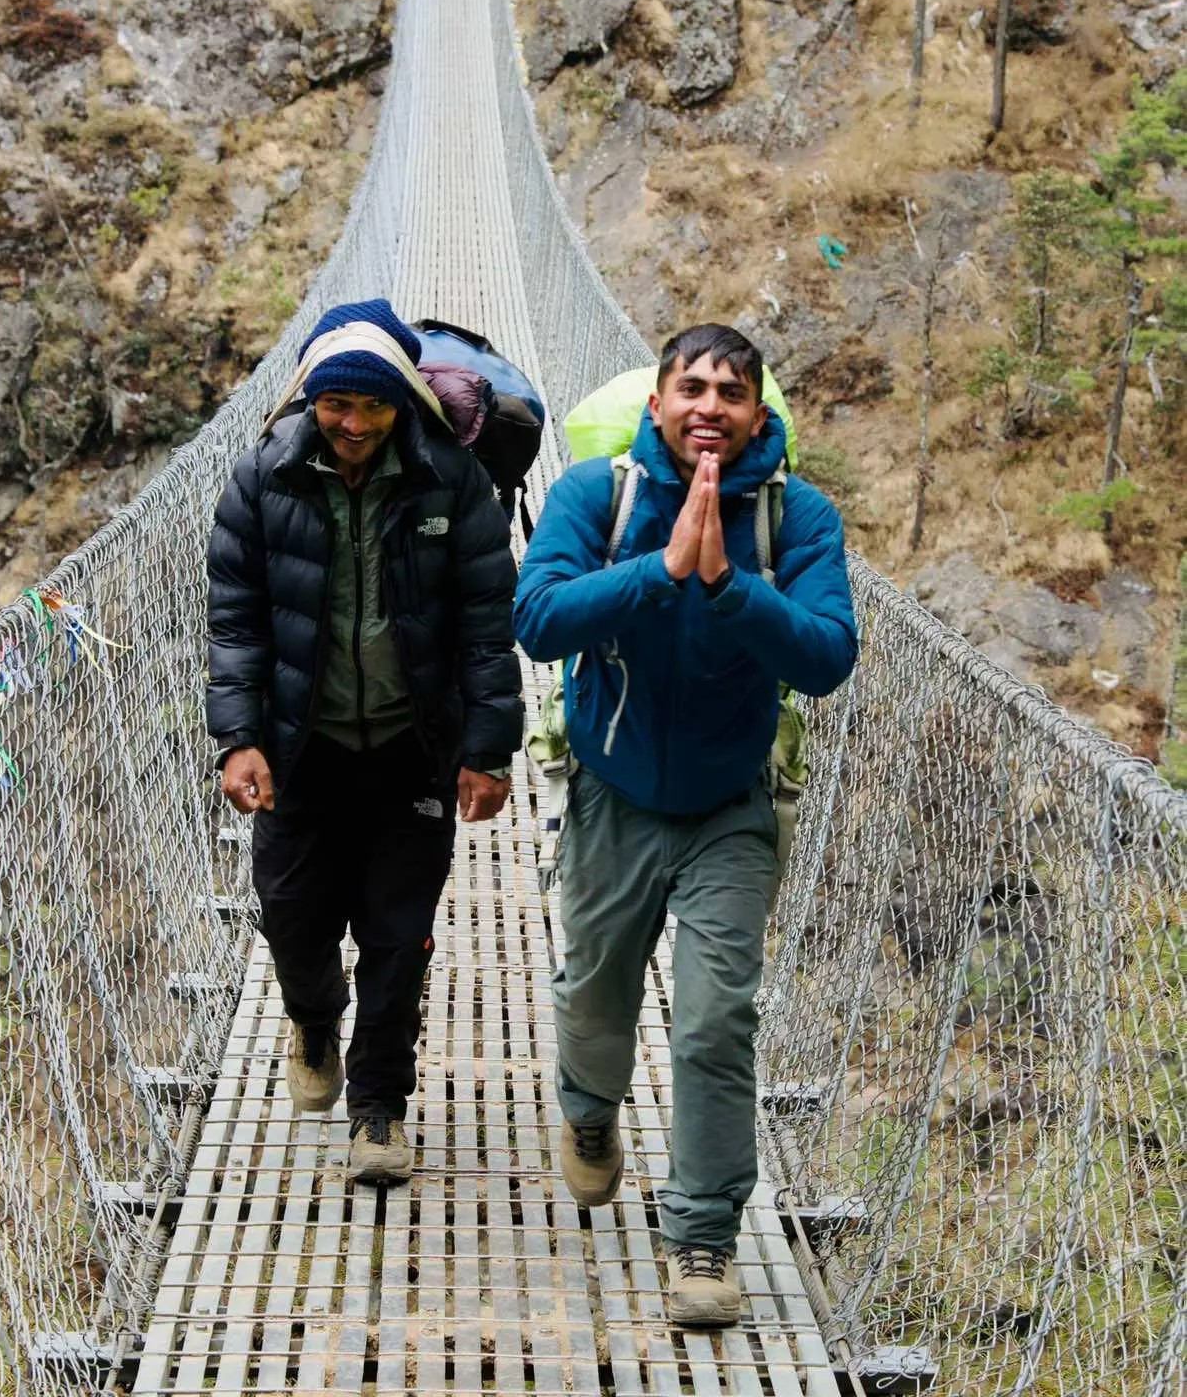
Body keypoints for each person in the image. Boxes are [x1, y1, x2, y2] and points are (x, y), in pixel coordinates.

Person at [514, 324, 858, 1328]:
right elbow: (537, 618)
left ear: (757, 413)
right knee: (595, 991)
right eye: (692, 387)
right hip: (612, 792)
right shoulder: (598, 494)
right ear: (656, 402)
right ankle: (589, 1109)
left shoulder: (797, 517)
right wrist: (659, 570)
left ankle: (701, 1236)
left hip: (728, 807)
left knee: (714, 1019)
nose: (710, 405)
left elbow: (827, 656)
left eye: (732, 392)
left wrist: (725, 585)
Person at [208, 299, 523, 1184]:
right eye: (335, 403)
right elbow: (235, 622)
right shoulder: (261, 479)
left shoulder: (449, 480)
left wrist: (488, 749)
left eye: (374, 405)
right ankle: (314, 1018)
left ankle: (379, 1107)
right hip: (298, 748)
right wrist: (237, 738)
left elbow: (487, 624)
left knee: (398, 934)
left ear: (403, 403)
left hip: (409, 746)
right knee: (291, 918)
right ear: (309, 398)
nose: (353, 423)